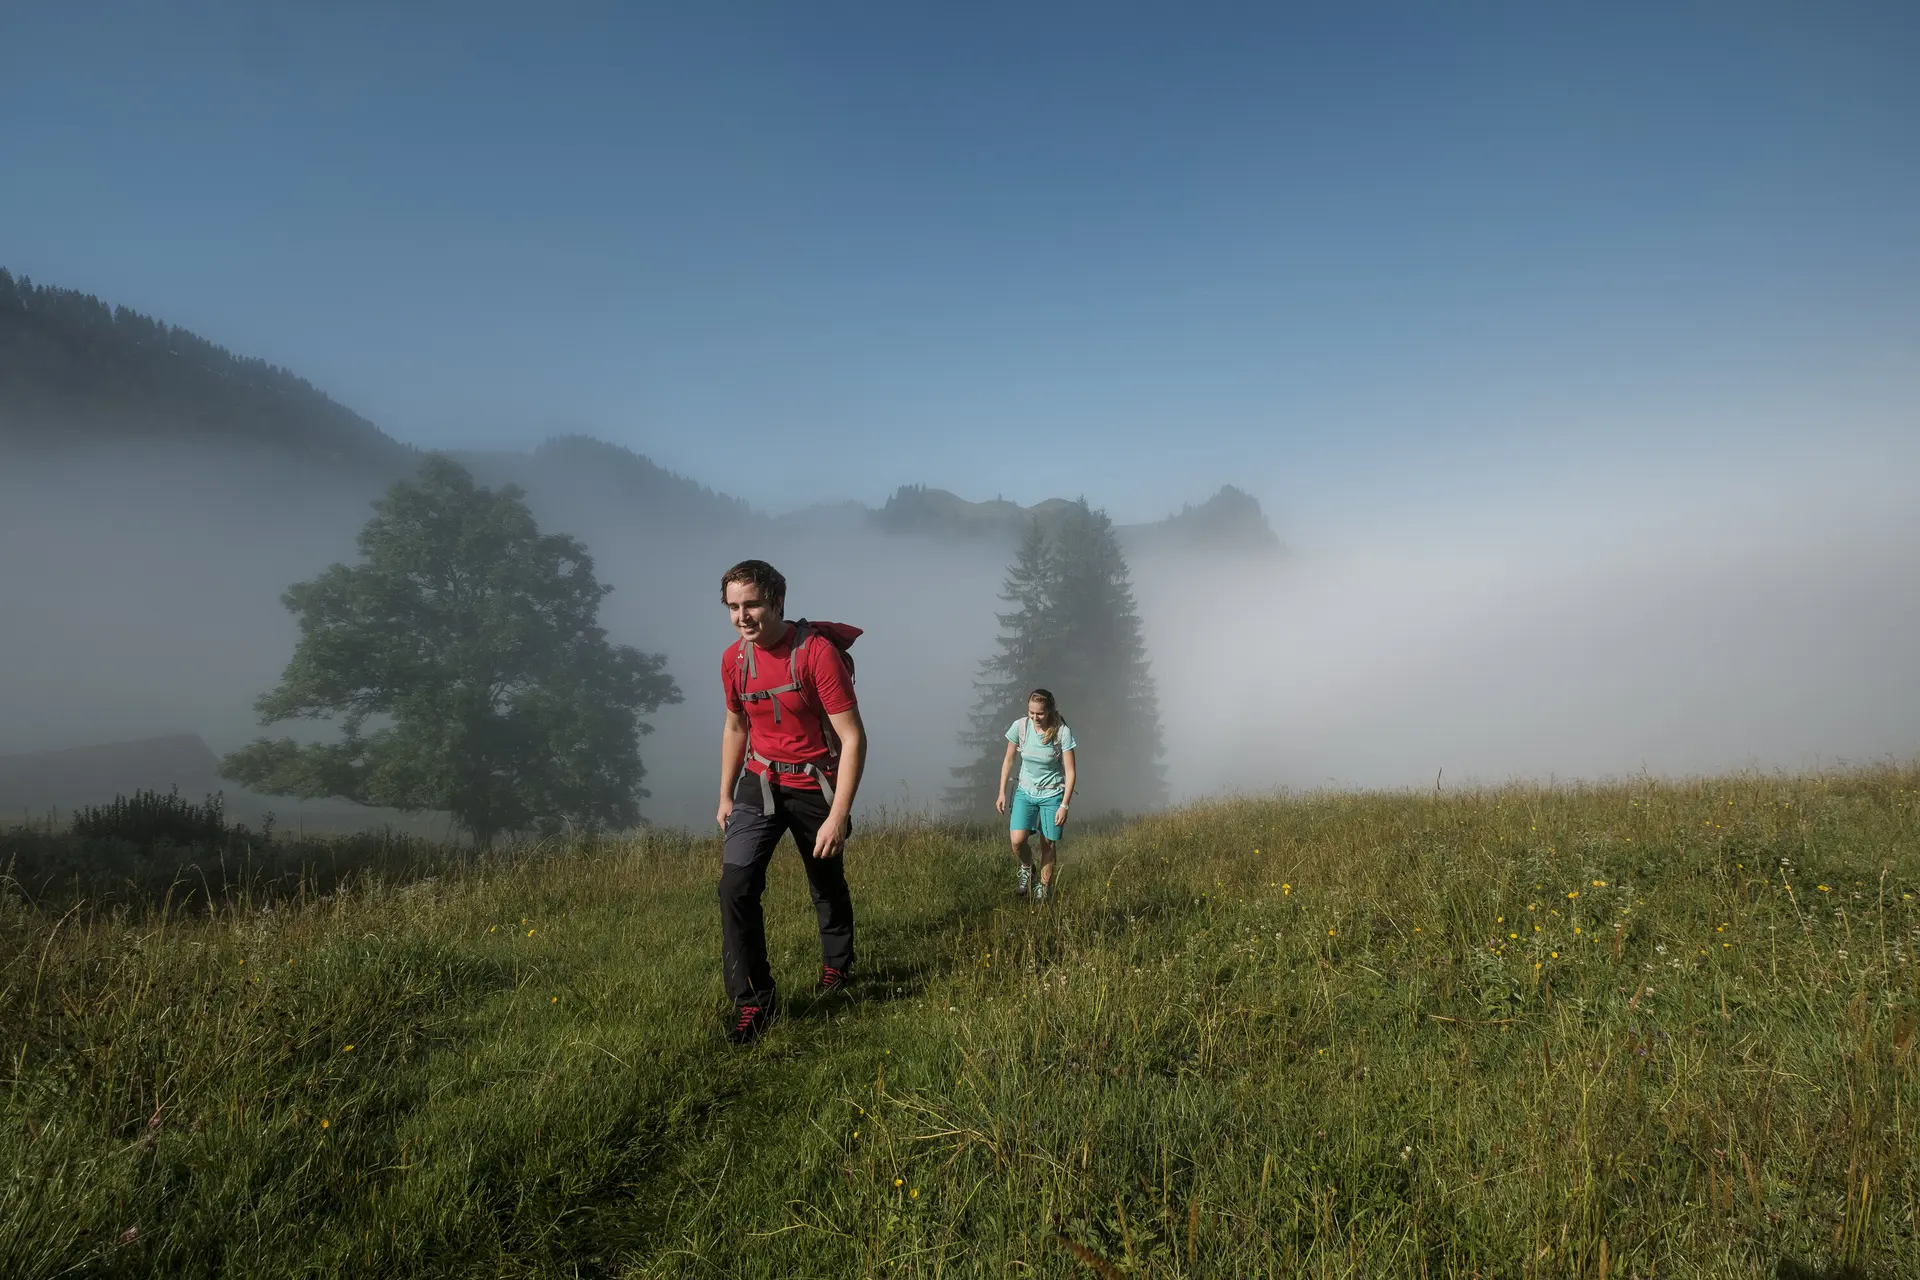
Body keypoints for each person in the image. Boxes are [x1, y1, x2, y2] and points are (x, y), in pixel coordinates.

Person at [715, 559, 867, 1045]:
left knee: (825, 879)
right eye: (733, 607)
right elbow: (736, 726)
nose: (742, 616)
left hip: (814, 783)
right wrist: (725, 793)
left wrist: (838, 816)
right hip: (759, 781)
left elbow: (853, 738)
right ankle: (753, 1003)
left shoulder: (816, 654)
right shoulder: (734, 660)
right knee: (735, 885)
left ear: (777, 602)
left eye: (752, 604)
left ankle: (837, 966)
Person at [995, 688, 1076, 902]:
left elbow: (1070, 771)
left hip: (1052, 793)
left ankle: (1044, 887)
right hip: (1025, 791)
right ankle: (1027, 868)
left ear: (1049, 710)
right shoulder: (1020, 727)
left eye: (1039, 713)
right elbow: (1008, 760)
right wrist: (1002, 792)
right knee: (1017, 841)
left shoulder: (1062, 732)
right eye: (1031, 712)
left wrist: (1064, 805)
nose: (1035, 717)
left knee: (1048, 843)